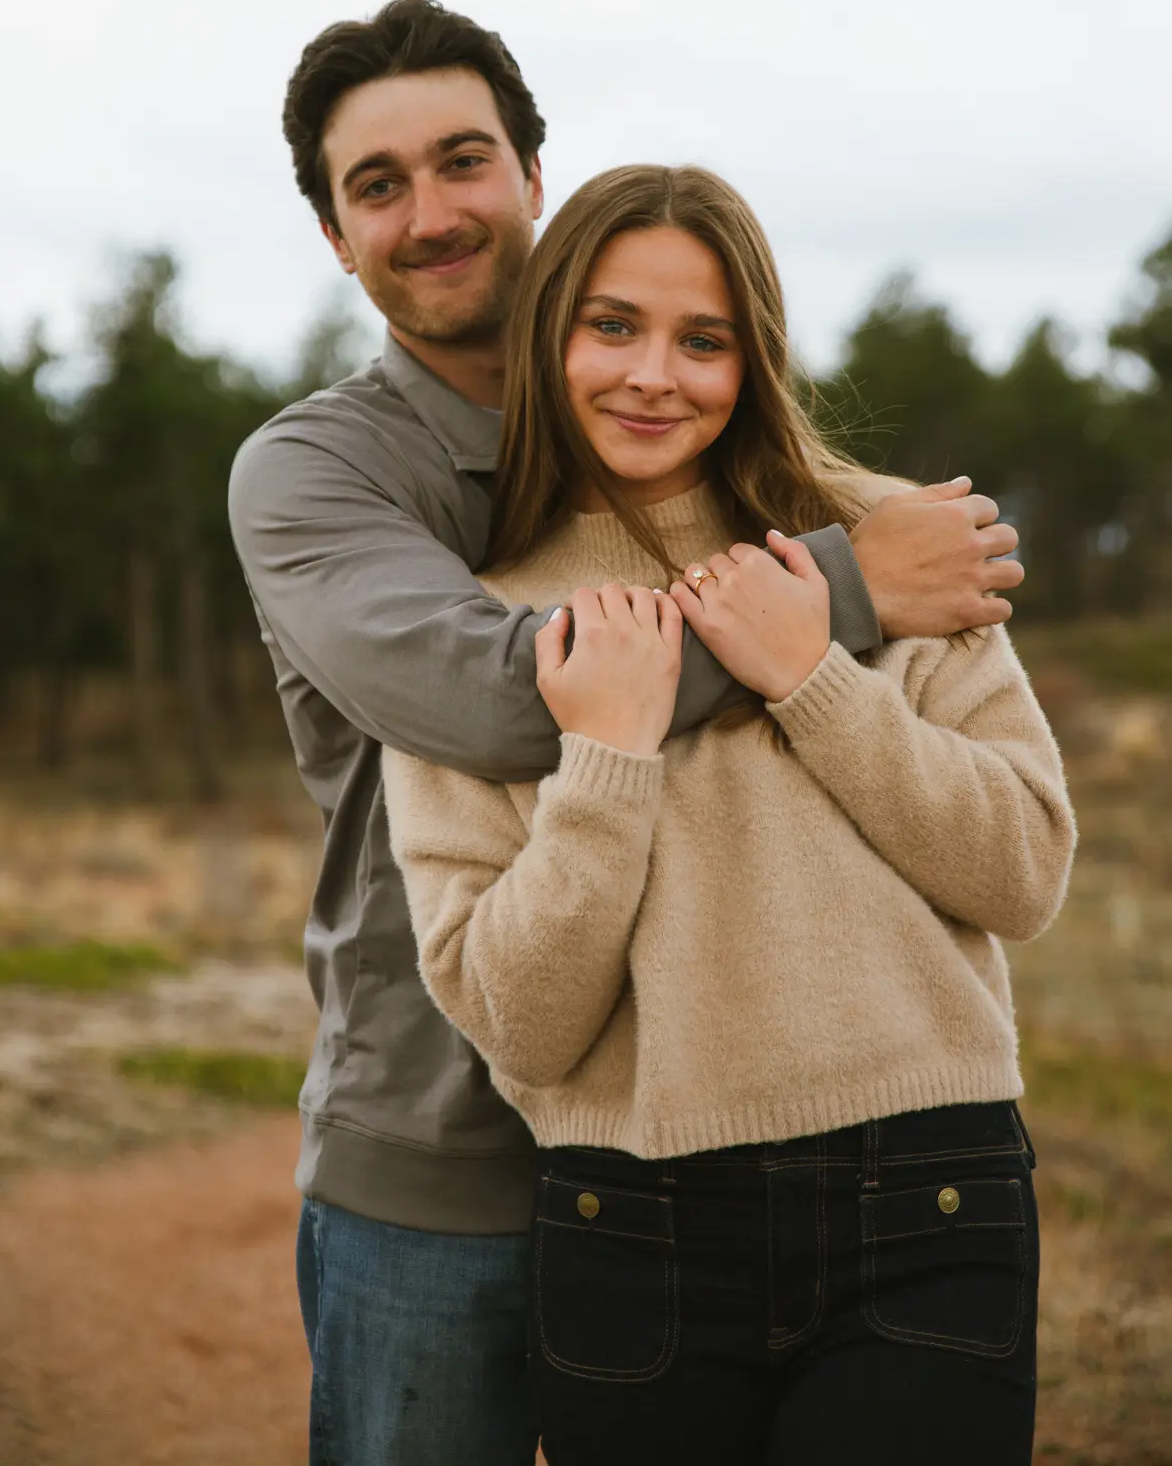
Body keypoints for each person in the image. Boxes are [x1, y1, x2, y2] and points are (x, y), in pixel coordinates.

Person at [228, 0, 1027, 1466]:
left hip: (767, 1153)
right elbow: (495, 696)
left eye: (464, 161)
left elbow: (1020, 855)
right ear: (337, 238)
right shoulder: (318, 473)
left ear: (536, 175)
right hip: (447, 1153)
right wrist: (848, 595)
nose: (431, 212)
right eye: (376, 185)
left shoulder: (737, 467)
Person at [382, 163, 1074, 1465]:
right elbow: (520, 1022)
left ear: (755, 358)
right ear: (549, 338)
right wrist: (605, 764)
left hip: (926, 1198)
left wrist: (814, 676)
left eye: (704, 340)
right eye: (611, 325)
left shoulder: (886, 544)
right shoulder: (474, 625)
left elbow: (1026, 868)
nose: (656, 374)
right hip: (633, 1220)